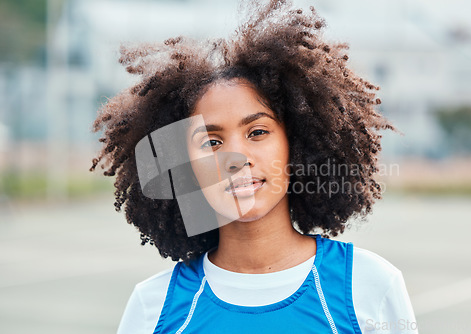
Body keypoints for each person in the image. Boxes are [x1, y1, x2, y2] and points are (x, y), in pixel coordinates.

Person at [89, 1, 418, 333]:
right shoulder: (153, 307)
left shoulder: (371, 287)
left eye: (258, 132)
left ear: (298, 144)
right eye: (211, 142)